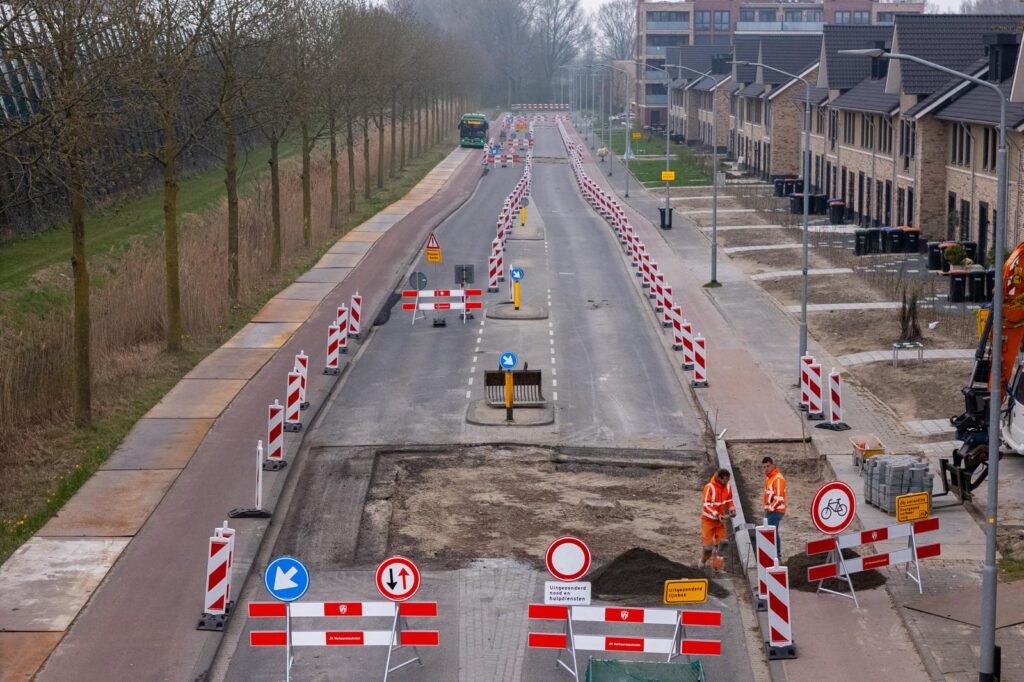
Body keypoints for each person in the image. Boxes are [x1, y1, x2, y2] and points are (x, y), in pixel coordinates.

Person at [701, 468, 736, 570]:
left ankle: (716, 568)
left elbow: (729, 500)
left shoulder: (727, 487)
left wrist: (732, 509)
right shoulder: (709, 488)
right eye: (725, 480)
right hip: (708, 521)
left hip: (720, 521)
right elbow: (706, 505)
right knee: (708, 548)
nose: (727, 482)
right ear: (719, 478)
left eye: (728, 480)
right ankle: (703, 561)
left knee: (722, 545)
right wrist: (716, 514)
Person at [762, 457, 786, 555]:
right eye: (764, 467)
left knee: (772, 533)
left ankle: (775, 555)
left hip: (775, 511)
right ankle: (775, 554)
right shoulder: (770, 478)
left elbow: (779, 498)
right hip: (772, 510)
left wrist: (770, 508)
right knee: (773, 532)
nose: (766, 468)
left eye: (768, 466)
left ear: (773, 465)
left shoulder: (778, 478)